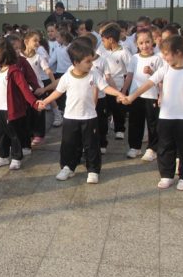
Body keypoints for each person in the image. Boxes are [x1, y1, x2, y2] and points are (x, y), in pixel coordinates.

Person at [36, 42, 126, 184]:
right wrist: (45, 101)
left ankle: (93, 170)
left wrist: (118, 94)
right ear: (76, 63)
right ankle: (67, 167)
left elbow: (105, 87)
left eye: (92, 60)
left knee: (91, 145)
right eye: (88, 61)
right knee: (68, 144)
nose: (91, 64)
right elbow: (58, 92)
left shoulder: (94, 74)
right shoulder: (67, 77)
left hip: (89, 117)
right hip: (70, 118)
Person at [124, 35, 183, 191]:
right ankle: (166, 175)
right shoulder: (165, 69)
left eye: (166, 54)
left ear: (178, 52)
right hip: (166, 116)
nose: (164, 57)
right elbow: (148, 83)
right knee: (165, 146)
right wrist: (132, 97)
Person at [0, 39, 39, 171]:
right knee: (1, 134)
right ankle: (3, 156)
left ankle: (17, 158)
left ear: (3, 55)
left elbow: (24, 89)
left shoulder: (15, 72)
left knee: (14, 134)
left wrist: (34, 103)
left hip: (12, 110)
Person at [123, 29, 164, 161]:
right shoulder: (134, 58)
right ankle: (134, 146)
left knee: (152, 123)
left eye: (147, 42)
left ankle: (152, 148)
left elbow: (161, 79)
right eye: (141, 43)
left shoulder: (157, 58)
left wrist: (152, 72)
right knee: (135, 121)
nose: (144, 45)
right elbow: (129, 75)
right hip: (136, 96)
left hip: (152, 95)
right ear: (137, 44)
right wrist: (124, 91)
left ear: (152, 42)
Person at [21, 31, 55, 146]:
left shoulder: (39, 57)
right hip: (25, 90)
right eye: (34, 40)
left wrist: (54, 82)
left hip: (38, 89)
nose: (37, 43)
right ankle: (29, 133)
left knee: (39, 113)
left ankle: (39, 135)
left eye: (38, 41)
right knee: (27, 113)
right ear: (26, 41)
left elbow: (47, 70)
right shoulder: (19, 57)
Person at [100, 24, 131, 141]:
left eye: (103, 40)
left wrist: (123, 90)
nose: (102, 43)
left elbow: (130, 71)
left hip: (118, 86)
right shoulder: (102, 51)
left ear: (111, 40)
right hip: (104, 86)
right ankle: (105, 129)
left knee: (118, 110)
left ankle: (119, 129)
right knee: (104, 110)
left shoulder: (124, 52)